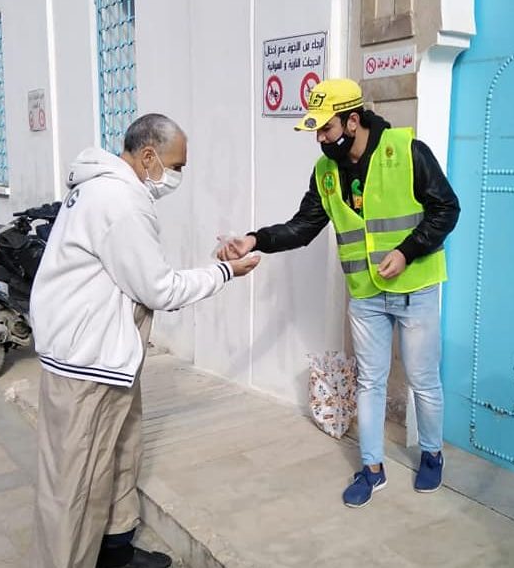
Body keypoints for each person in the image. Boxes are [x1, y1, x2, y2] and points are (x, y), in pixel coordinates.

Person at [30, 113, 260, 567]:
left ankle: (116, 552)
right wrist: (224, 272)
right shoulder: (119, 200)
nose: (177, 176)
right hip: (86, 365)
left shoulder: (106, 189)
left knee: (120, 456)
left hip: (110, 357)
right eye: (177, 166)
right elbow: (158, 289)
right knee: (75, 485)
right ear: (149, 156)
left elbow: (134, 273)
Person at [218, 79, 460, 507]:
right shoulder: (325, 172)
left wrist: (407, 251)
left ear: (352, 120)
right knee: (370, 382)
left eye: (326, 128)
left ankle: (432, 454)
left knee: (423, 381)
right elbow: (302, 227)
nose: (321, 139)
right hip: (365, 295)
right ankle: (372, 468)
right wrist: (255, 240)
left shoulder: (407, 152)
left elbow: (447, 208)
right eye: (316, 131)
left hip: (416, 289)